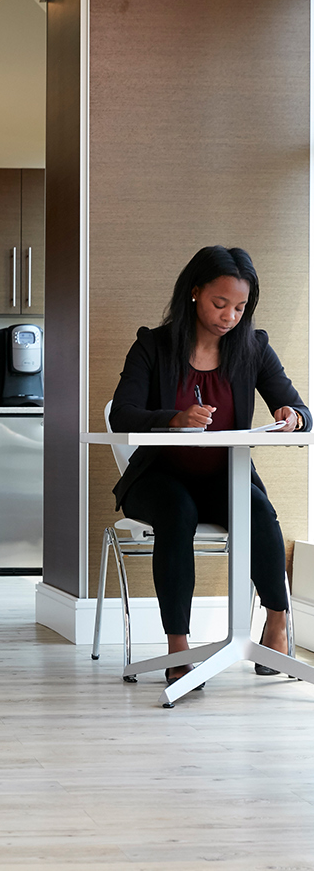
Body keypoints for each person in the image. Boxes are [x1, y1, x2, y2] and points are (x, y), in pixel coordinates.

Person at [110, 245, 311, 684]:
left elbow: (298, 407)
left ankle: (276, 622)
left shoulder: (253, 348)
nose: (230, 316)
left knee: (257, 511)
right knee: (177, 512)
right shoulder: (152, 345)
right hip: (159, 478)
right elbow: (121, 413)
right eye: (221, 304)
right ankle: (178, 648)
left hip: (224, 477)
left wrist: (293, 417)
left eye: (240, 307)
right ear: (195, 293)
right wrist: (173, 419)